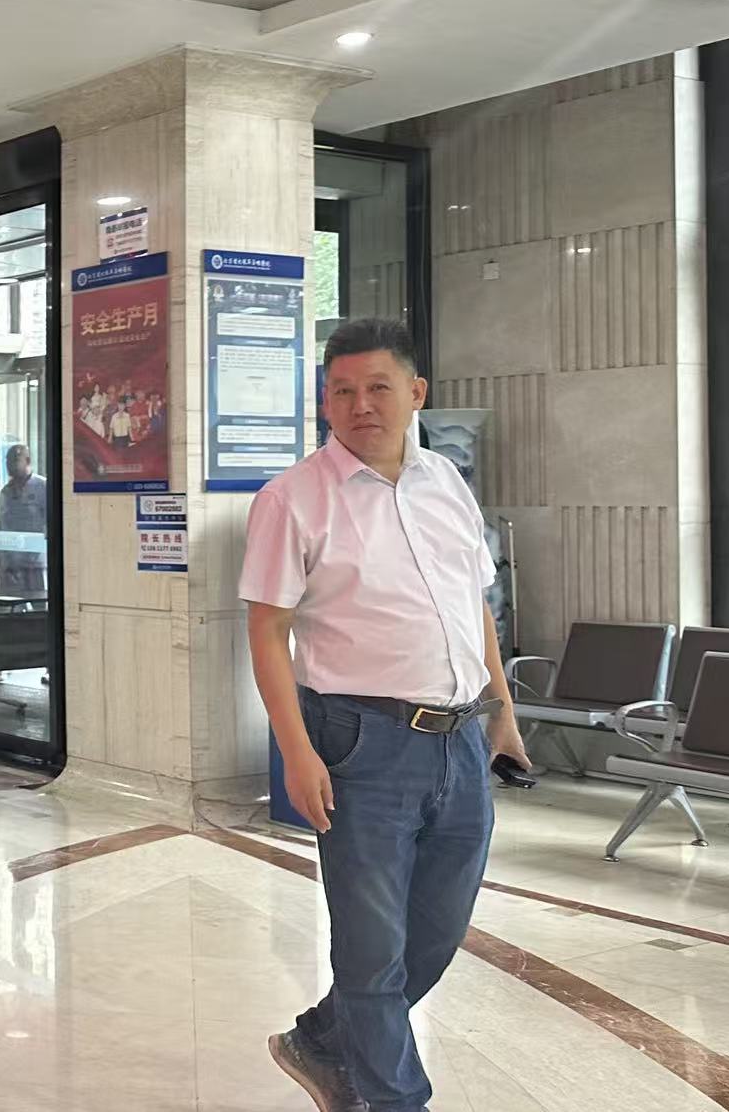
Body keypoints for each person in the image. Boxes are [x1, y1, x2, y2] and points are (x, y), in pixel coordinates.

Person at [241, 318, 529, 1112]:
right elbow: (265, 630)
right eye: (341, 390)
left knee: (434, 934)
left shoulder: (446, 483)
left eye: (376, 387)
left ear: (415, 392)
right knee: (371, 949)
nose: (359, 404)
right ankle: (393, 1099)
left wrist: (501, 712)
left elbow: (472, 605)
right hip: (358, 740)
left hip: (458, 738)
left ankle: (321, 1037)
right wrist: (296, 752)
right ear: (323, 401)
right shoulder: (291, 498)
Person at [0, 443, 49, 599]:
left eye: (15, 459)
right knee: (4, 607)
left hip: (34, 566)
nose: (9, 464)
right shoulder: (5, 492)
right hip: (9, 565)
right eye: (7, 460)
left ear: (28, 461)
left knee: (38, 609)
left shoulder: (43, 487)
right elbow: (1, 525)